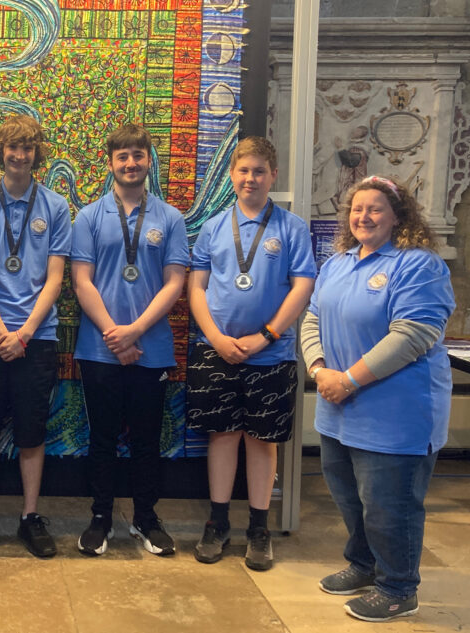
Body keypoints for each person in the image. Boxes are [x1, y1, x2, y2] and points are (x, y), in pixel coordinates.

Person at [301, 176, 454, 622]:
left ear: (398, 216)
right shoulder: (339, 262)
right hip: (339, 409)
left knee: (391, 505)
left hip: (396, 414)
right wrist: (318, 370)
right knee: (351, 498)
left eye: (375, 209)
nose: (363, 217)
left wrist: (347, 379)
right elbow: (313, 318)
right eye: (356, 209)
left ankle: (398, 588)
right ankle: (364, 565)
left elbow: (414, 334)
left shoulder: (418, 265)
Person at [186, 136, 315, 571]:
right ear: (232, 174)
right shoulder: (214, 227)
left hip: (271, 353)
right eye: (243, 170)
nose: (250, 178)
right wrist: (216, 337)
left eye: (259, 171)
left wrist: (266, 335)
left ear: (272, 176)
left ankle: (258, 528)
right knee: (221, 436)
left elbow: (302, 286)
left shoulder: (292, 228)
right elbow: (196, 287)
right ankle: (218, 521)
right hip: (216, 350)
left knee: (263, 442)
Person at [71, 123, 189, 557]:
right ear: (111, 163)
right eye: (122, 156)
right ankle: (100, 516)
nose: (131, 163)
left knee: (146, 438)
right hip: (99, 348)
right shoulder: (88, 216)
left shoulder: (169, 218)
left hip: (151, 348)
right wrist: (114, 335)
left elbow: (175, 282)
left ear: (148, 161)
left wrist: (135, 331)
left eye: (138, 155)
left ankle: (145, 517)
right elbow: (81, 282)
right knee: (101, 437)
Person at [0, 114, 71, 558]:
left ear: (36, 154)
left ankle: (29, 516)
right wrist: (3, 331)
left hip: (37, 334)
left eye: (27, 149)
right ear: (0, 152)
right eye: (12, 148)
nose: (20, 156)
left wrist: (23, 332)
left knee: (32, 430)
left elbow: (56, 279)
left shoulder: (57, 207)